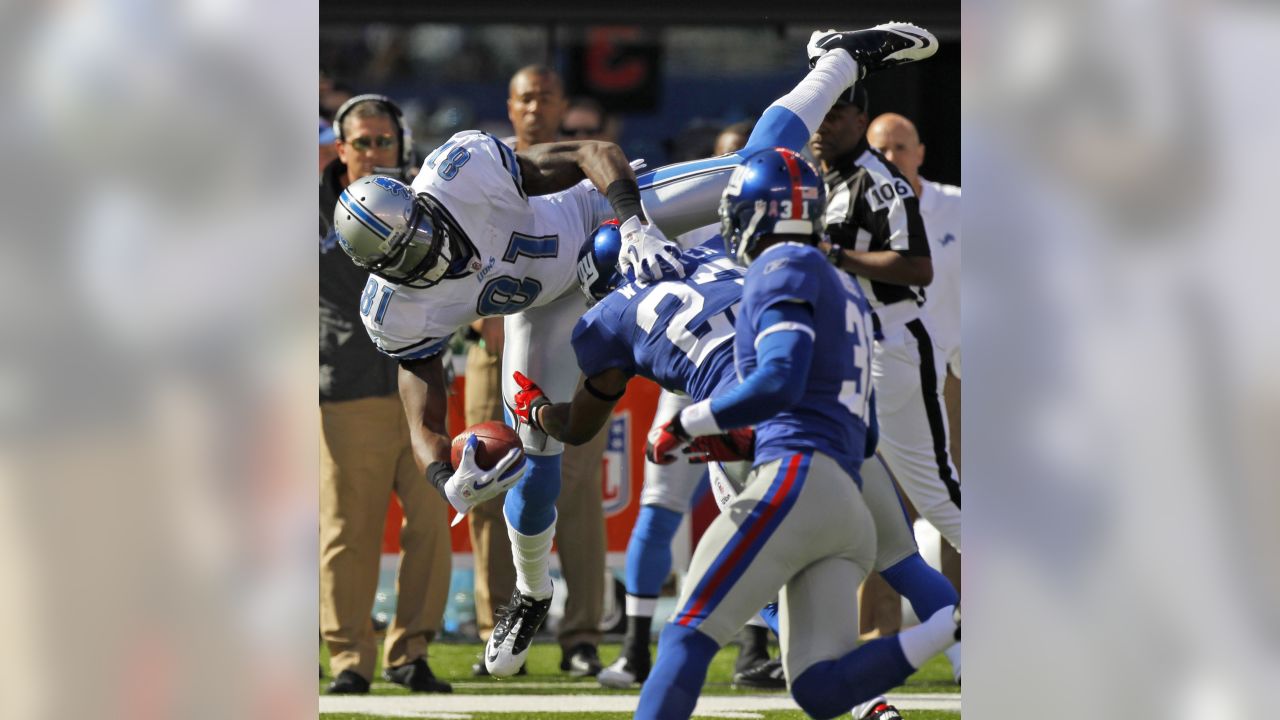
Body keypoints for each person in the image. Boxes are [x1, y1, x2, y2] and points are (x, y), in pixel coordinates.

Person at [331, 21, 939, 678]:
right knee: (536, 475)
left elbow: (595, 150)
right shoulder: (396, 309)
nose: (433, 257)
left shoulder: (464, 173)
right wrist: (444, 478)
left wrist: (637, 225)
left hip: (606, 216)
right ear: (383, 271)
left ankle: (838, 60)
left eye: (423, 237)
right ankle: (533, 593)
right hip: (545, 309)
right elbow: (423, 409)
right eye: (411, 260)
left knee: (758, 169)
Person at [628, 145, 959, 720]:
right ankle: (953, 626)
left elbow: (780, 376)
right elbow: (869, 431)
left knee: (686, 633)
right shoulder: (841, 284)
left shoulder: (783, 265)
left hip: (797, 479)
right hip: (847, 498)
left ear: (758, 211)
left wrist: (690, 420)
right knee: (819, 689)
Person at [318, 94, 453, 695]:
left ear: (402, 147)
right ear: (340, 148)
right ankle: (349, 658)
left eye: (384, 143)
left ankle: (411, 650)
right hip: (347, 385)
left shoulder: (428, 204)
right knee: (350, 529)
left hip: (424, 386)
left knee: (430, 523)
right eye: (362, 143)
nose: (374, 154)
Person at [813, 85, 962, 554]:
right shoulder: (824, 179)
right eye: (819, 113)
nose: (823, 124)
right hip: (840, 352)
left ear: (860, 119)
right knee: (832, 495)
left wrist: (835, 255)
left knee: (938, 499)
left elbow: (919, 267)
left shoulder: (878, 182)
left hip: (889, 344)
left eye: (836, 114)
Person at [866, 111, 965, 683]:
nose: (891, 157)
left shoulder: (960, 205)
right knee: (878, 512)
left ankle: (963, 639)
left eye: (901, 147)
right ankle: (878, 642)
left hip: (952, 371)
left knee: (951, 503)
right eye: (880, 149)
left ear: (921, 151)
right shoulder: (857, 208)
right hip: (880, 371)